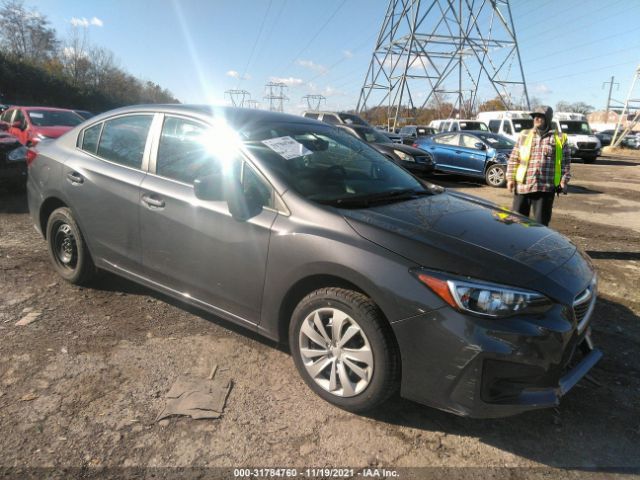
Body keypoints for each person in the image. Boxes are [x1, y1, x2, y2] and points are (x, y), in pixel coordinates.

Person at [506, 105, 570, 226]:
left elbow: (565, 163)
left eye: (540, 116)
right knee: (516, 223)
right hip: (523, 186)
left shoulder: (559, 138)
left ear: (548, 118)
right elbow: (514, 158)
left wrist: (564, 181)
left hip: (545, 188)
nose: (536, 118)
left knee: (540, 226)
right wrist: (510, 179)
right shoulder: (524, 135)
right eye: (535, 116)